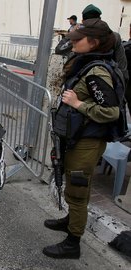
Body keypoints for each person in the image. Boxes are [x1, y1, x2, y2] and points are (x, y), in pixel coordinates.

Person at [43, 18, 121, 259]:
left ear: (94, 43)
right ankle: (71, 220)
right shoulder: (87, 63)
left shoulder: (97, 71)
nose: (73, 42)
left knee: (77, 190)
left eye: (79, 39)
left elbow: (111, 111)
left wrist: (78, 104)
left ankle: (72, 243)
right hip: (78, 137)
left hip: (88, 141)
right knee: (75, 187)